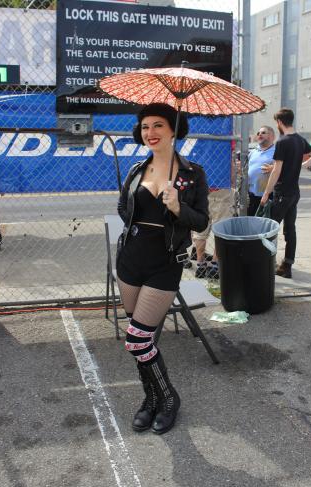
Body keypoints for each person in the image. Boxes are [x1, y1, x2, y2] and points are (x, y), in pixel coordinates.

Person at [116, 103, 209, 435]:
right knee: (141, 339)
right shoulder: (136, 169)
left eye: (158, 125)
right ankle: (151, 399)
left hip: (165, 262)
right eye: (145, 127)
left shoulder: (192, 173)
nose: (150, 132)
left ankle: (168, 398)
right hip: (130, 259)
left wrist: (177, 207)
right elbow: (122, 207)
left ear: (173, 130)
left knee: (137, 339)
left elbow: (202, 221)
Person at [260, 108, 311, 278]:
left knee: (269, 229)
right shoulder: (300, 139)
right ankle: (287, 266)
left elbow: (276, 170)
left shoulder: (282, 141)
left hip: (282, 193)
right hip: (294, 193)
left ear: (279, 122)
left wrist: (266, 193)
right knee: (290, 230)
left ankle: (264, 265)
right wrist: (299, 166)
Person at [191, 184, 233, 279]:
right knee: (221, 229)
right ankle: (214, 265)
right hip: (222, 189)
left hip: (202, 189)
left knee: (200, 230)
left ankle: (200, 265)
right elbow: (233, 178)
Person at [246, 126, 276, 217]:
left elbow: (285, 168)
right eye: (258, 133)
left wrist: (274, 168)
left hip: (268, 195)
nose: (259, 135)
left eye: (263, 133)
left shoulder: (277, 151)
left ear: (272, 136)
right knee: (251, 221)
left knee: (265, 223)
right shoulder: (253, 152)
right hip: (251, 195)